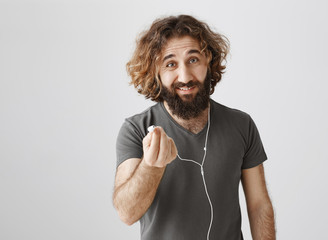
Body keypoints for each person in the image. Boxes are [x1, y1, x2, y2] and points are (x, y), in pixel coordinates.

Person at [113, 15, 276, 240]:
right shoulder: (136, 129)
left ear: (208, 60)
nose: (185, 76)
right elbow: (127, 213)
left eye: (193, 60)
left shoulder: (242, 125)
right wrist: (151, 166)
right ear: (156, 72)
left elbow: (259, 205)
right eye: (170, 64)